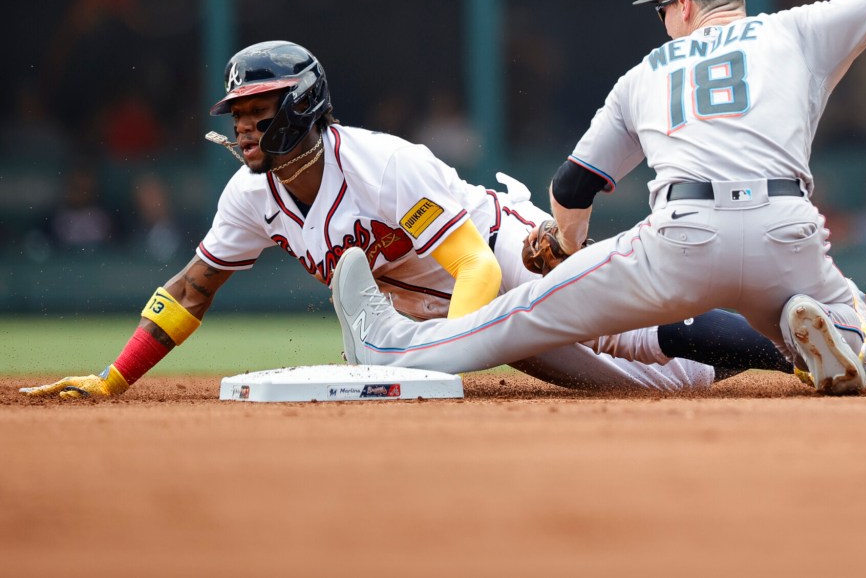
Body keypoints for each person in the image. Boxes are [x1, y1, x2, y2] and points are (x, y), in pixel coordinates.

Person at [328, 0, 866, 394]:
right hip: (789, 230)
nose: (662, 19)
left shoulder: (645, 74)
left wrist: (566, 244)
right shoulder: (793, 31)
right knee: (835, 299)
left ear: (686, 5)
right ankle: (853, 341)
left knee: (518, 316)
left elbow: (573, 185)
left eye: (663, 7)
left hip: (683, 240)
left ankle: (395, 349)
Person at [21, 40, 799, 400]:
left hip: (504, 249)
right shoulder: (251, 196)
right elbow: (191, 289)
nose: (246, 128)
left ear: (303, 105)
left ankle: (808, 343)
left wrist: (438, 365)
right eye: (240, 114)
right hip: (425, 308)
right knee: (631, 390)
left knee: (624, 326)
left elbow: (479, 268)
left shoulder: (381, 163)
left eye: (259, 111)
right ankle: (788, 349)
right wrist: (112, 378)